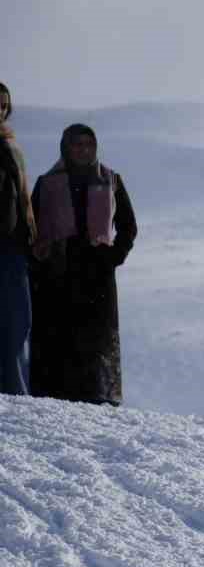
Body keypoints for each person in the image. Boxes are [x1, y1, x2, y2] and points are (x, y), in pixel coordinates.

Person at [28, 125, 137, 405]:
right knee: (58, 337)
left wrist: (115, 255)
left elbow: (128, 226)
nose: (83, 150)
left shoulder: (111, 180)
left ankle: (96, 398)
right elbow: (31, 228)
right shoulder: (48, 182)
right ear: (66, 147)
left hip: (96, 272)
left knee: (95, 337)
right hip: (57, 271)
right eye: (77, 144)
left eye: (89, 144)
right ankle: (55, 399)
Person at [0, 82, 34, 396]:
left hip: (12, 249)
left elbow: (21, 200)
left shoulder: (11, 148)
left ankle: (16, 394)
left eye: (2, 105)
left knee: (17, 325)